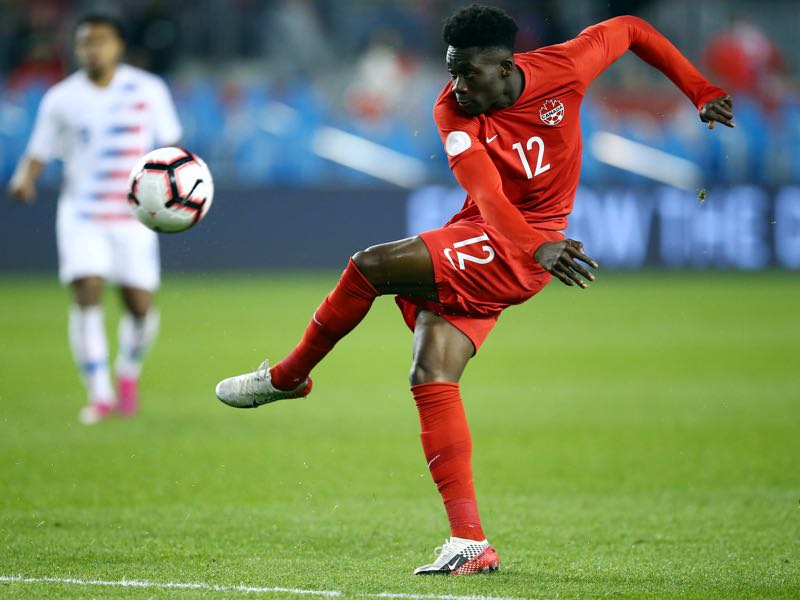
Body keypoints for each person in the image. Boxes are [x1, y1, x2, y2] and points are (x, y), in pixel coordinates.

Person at [216, 4, 734, 575]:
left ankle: (289, 378)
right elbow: (487, 195)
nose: (456, 86)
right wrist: (533, 243)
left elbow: (632, 28)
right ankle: (470, 542)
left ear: (506, 67)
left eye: (469, 74)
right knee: (431, 373)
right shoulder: (451, 110)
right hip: (493, 233)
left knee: (369, 265)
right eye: (451, 72)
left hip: (522, 252)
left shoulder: (566, 66)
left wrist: (700, 89)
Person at [8, 14, 182, 425]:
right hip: (82, 214)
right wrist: (24, 180)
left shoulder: (148, 89)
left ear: (118, 46)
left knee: (139, 306)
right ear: (76, 48)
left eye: (101, 41)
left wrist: (178, 193)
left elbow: (170, 146)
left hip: (135, 217)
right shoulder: (61, 98)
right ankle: (99, 393)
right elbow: (38, 151)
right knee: (86, 292)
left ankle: (127, 373)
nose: (93, 49)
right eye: (85, 42)